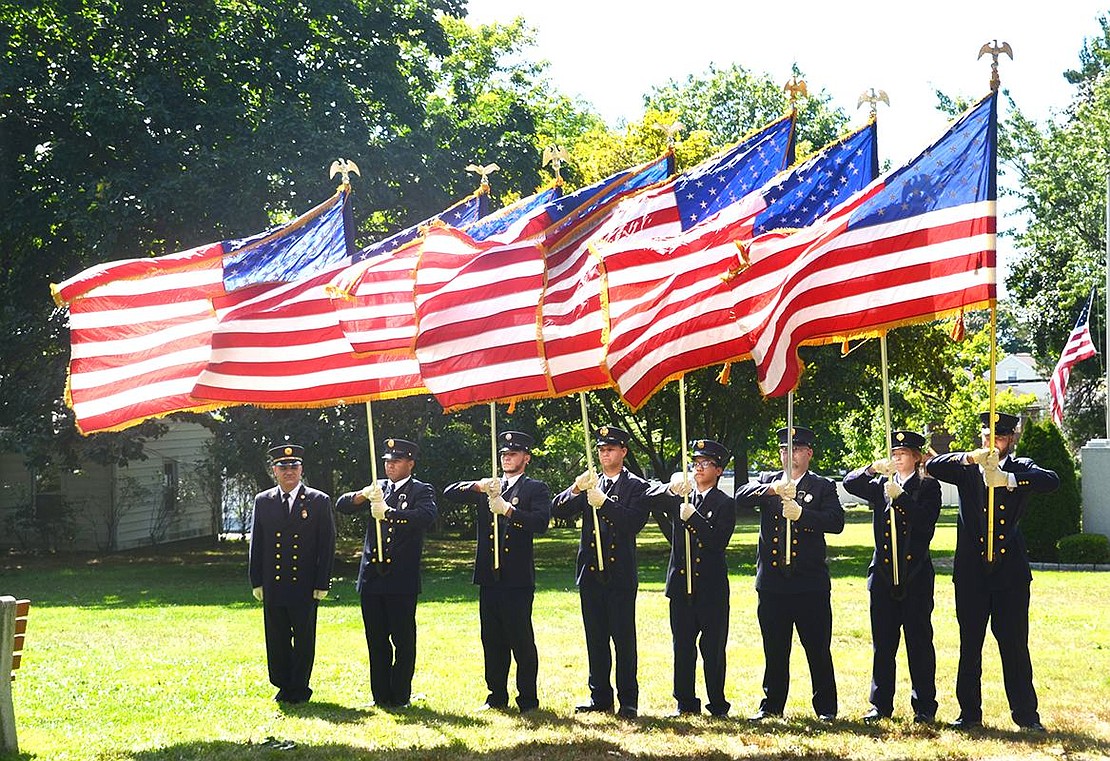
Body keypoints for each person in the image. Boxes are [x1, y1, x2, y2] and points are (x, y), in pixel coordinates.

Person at [927, 411, 1060, 732]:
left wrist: (1009, 480)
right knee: (969, 644)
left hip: (1010, 574)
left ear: (1010, 440)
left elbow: (1051, 481)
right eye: (987, 437)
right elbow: (933, 465)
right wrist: (969, 458)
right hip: (972, 573)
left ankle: (1026, 715)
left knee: (1014, 645)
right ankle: (969, 713)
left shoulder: (1020, 467)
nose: (992, 443)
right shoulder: (966, 470)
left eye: (998, 438)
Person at [735, 425, 845, 723]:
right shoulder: (768, 482)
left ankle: (826, 707)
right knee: (775, 648)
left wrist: (803, 515)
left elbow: (836, 522)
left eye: (796, 449)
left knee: (817, 648)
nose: (789, 455)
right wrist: (772, 489)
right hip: (772, 583)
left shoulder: (822, 486)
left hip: (809, 583)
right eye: (784, 449)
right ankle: (771, 705)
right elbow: (741, 496)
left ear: (808, 453)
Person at [443, 431, 551, 714]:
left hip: (516, 578)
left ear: (526, 458)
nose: (507, 458)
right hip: (489, 577)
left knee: (521, 639)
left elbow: (540, 523)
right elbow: (449, 493)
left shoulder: (534, 489)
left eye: (513, 454)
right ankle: (496, 695)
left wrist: (509, 512)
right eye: (504, 454)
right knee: (491, 639)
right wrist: (476, 486)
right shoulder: (491, 486)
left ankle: (527, 698)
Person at [843, 430, 941, 724]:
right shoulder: (881, 485)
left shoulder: (928, 487)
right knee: (883, 644)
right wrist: (873, 468)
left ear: (916, 457)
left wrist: (902, 498)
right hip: (883, 575)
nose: (898, 460)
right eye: (894, 455)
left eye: (903, 455)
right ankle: (880, 703)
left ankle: (924, 705)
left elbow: (925, 521)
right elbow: (850, 483)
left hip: (915, 575)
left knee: (919, 642)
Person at [551, 426, 650, 719]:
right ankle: (600, 697)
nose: (605, 454)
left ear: (623, 452)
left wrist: (605, 504)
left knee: (623, 639)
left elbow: (633, 523)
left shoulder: (636, 486)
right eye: (601, 450)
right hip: (591, 573)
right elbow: (558, 510)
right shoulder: (591, 482)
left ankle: (628, 700)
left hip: (619, 574)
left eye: (610, 449)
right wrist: (576, 489)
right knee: (595, 638)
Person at [335, 437, 437, 709]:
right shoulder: (377, 488)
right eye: (387, 462)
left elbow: (426, 517)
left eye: (397, 461)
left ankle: (400, 695)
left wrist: (389, 513)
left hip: (401, 578)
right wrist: (363, 495)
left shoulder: (420, 490)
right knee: (376, 640)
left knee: (403, 640)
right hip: (372, 577)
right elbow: (342, 505)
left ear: (410, 463)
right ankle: (380, 696)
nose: (390, 466)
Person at [643, 439, 737, 717]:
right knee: (682, 647)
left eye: (704, 464)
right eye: (695, 463)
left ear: (718, 470)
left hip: (710, 588)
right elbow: (647, 497)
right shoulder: (682, 497)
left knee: (713, 648)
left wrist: (694, 518)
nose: (698, 468)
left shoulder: (724, 503)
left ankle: (717, 704)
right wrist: (670, 488)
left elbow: (717, 541)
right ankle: (685, 702)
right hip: (681, 586)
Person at [248, 442, 336, 704]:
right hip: (274, 582)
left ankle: (300, 686)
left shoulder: (319, 501)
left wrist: (322, 581)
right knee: (276, 637)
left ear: (301, 470)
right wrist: (256, 580)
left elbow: (326, 544)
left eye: (294, 466)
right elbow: (258, 542)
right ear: (274, 470)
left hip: (305, 583)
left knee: (304, 637)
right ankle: (282, 684)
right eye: (283, 467)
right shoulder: (263, 501)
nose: (289, 471)